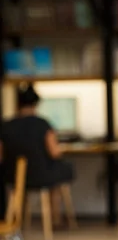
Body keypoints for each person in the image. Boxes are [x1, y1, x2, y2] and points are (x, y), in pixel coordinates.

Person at [0, 83, 75, 224]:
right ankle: (56, 219)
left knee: (21, 180)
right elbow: (55, 153)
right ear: (36, 104)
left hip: (13, 176)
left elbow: (1, 156)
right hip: (41, 175)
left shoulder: (6, 126)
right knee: (61, 171)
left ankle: (17, 219)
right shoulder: (42, 124)